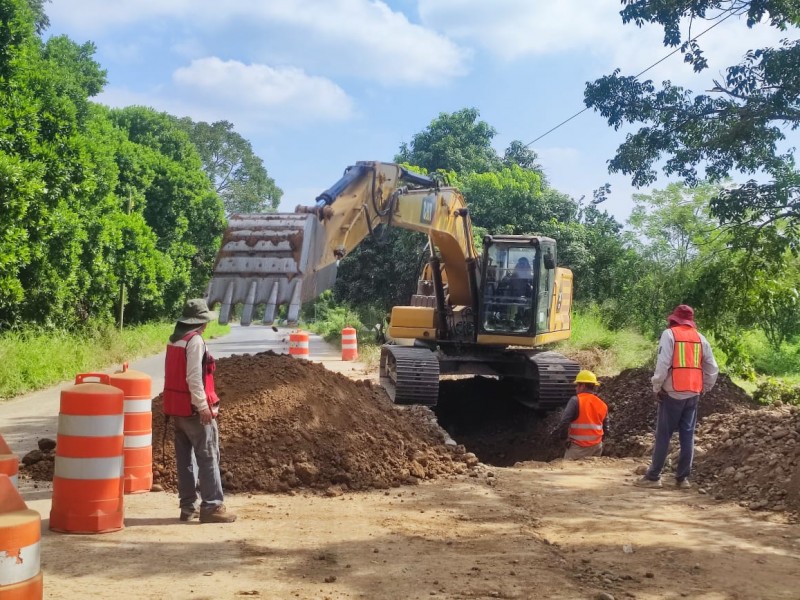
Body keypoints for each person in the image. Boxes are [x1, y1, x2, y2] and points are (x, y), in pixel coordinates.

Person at [162, 298, 236, 523]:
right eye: (204, 321)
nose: (206, 325)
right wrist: (203, 406)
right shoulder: (195, 342)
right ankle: (212, 506)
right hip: (193, 410)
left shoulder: (176, 340)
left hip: (177, 409)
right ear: (199, 322)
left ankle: (187, 508)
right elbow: (194, 377)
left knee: (185, 460)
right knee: (207, 456)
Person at [635, 304, 718, 489]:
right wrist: (705, 387)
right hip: (693, 393)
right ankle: (683, 479)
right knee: (687, 436)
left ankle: (654, 476)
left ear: (674, 320)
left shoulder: (670, 335)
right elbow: (712, 368)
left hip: (672, 392)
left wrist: (657, 386)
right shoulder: (700, 338)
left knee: (664, 435)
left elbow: (663, 363)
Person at [555, 370, 609, 460]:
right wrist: (599, 442)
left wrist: (564, 439)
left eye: (577, 385)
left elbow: (564, 422)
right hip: (597, 448)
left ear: (582, 386)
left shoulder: (575, 401)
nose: (575, 388)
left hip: (578, 448)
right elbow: (606, 428)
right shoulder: (602, 404)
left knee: (569, 472)